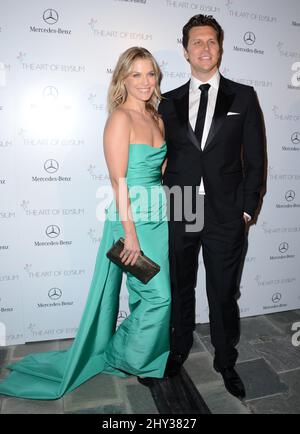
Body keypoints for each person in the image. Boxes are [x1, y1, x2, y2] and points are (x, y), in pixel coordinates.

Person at [0, 47, 171, 399]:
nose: (144, 81)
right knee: (160, 298)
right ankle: (121, 355)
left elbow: (159, 170)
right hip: (130, 219)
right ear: (123, 78)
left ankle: (133, 357)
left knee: (149, 295)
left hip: (157, 215)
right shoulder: (120, 118)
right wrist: (130, 234)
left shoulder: (157, 117)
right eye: (135, 74)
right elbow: (118, 181)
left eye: (150, 73)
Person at [159, 15, 264, 399]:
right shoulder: (167, 101)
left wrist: (247, 209)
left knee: (222, 292)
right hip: (183, 203)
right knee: (179, 285)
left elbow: (256, 158)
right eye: (196, 42)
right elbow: (159, 154)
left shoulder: (244, 96)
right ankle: (178, 350)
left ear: (220, 47)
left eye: (211, 42)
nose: (204, 48)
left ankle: (225, 361)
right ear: (185, 50)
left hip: (226, 211)